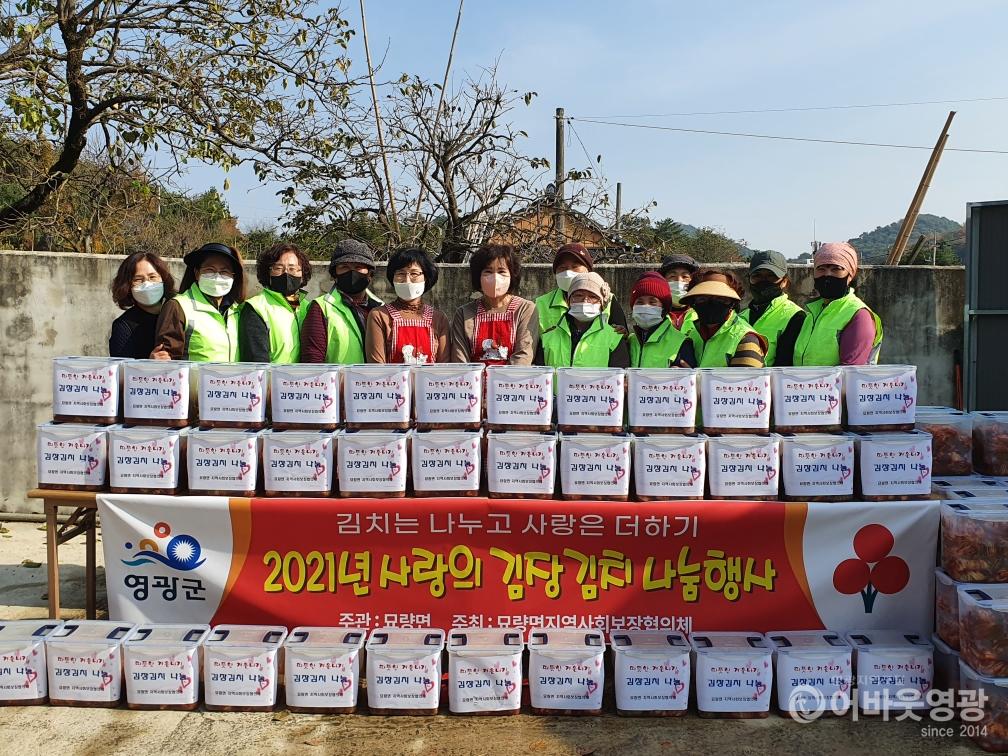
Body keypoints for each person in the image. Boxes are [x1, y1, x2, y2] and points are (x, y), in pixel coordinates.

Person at [793, 241, 883, 366]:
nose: (827, 274)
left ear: (850, 275)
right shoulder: (812, 313)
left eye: (836, 269)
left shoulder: (859, 315)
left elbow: (850, 371)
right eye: (821, 269)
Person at [153, 242, 246, 361]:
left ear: (233, 276)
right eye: (210, 270)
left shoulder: (237, 309)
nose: (217, 276)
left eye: (224, 271)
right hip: (194, 374)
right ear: (197, 273)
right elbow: (167, 359)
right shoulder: (178, 306)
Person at [449, 244, 539, 365]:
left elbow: (523, 356)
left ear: (512, 276)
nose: (495, 277)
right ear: (478, 277)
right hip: (473, 377)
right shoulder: (464, 313)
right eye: (488, 271)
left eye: (501, 271)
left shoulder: (525, 309)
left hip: (513, 377)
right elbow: (460, 360)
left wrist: (500, 377)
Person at [300, 239, 383, 364]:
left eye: (359, 267)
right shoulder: (321, 308)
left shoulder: (381, 309)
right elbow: (313, 361)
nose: (352, 272)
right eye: (344, 267)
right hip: (338, 378)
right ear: (334, 274)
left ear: (370, 274)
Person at [365, 247, 449, 364]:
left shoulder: (439, 319)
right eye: (400, 273)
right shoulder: (379, 315)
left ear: (426, 277)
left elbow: (444, 367)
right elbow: (377, 368)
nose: (407, 280)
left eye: (414, 273)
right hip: (391, 377)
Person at [535, 272, 629, 368]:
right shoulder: (548, 337)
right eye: (578, 295)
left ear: (602, 304)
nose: (585, 300)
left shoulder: (614, 338)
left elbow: (619, 374)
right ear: (568, 301)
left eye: (593, 297)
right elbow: (539, 374)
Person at [239, 242, 312, 363]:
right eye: (278, 268)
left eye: (293, 268)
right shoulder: (256, 307)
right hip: (272, 375)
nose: (286, 273)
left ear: (302, 274)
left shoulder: (308, 307)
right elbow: (256, 359)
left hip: (305, 375)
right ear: (268, 273)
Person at [681, 270, 767, 368]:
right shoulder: (690, 334)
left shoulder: (745, 339)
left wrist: (692, 376)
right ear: (693, 303)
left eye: (720, 299)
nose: (711, 304)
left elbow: (747, 377)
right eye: (702, 299)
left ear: (732, 303)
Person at [534, 242, 627, 333]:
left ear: (588, 270)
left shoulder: (608, 299)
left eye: (575, 267)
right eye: (562, 268)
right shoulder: (541, 303)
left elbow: (621, 335)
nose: (568, 272)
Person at [739, 250, 806, 367]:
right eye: (757, 276)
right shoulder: (741, 316)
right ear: (749, 279)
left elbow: (786, 364)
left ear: (784, 281)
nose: (763, 281)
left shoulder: (796, 316)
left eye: (771, 276)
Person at [109, 252, 177, 359]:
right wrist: (148, 363)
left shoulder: (178, 313)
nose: (147, 284)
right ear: (127, 286)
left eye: (152, 277)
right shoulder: (123, 327)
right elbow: (121, 367)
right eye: (138, 279)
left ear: (163, 279)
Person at [627, 271, 696, 368]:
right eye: (640, 302)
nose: (646, 306)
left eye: (652, 302)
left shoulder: (681, 342)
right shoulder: (630, 341)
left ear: (664, 308)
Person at [658, 253, 700, 332]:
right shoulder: (655, 314)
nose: (679, 280)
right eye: (672, 276)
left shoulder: (702, 313)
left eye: (685, 277)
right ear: (664, 280)